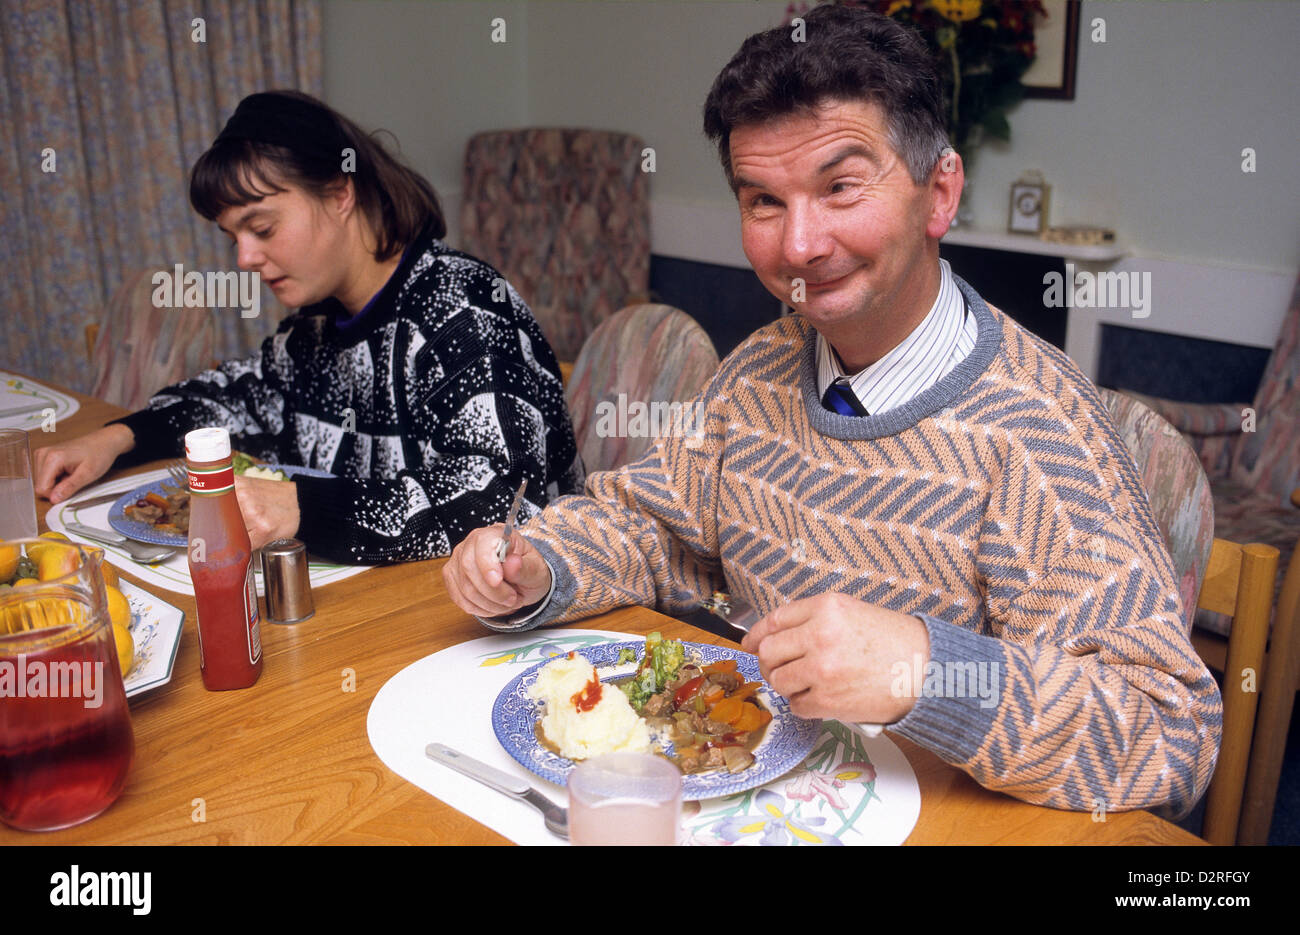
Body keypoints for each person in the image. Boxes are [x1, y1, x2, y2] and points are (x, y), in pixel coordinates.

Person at [440, 5, 1220, 815]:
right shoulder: (759, 371)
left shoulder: (1041, 432)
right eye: (764, 201)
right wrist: (538, 563)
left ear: (939, 192)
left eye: (841, 186)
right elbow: (653, 529)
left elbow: (1170, 731)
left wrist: (925, 670)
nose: (800, 245)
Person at [34, 90, 582, 564]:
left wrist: (304, 507)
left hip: (503, 620)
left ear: (341, 194)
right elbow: (238, 399)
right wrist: (118, 438)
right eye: (233, 237)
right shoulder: (314, 329)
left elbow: (499, 501)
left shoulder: (463, 309)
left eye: (262, 227)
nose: (244, 258)